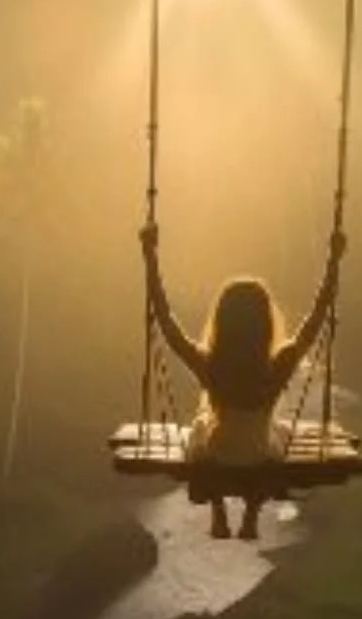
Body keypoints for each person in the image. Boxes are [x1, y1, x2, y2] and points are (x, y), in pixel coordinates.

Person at [140, 224, 345, 540]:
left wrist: (150, 257)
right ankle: (250, 516)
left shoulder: (210, 366)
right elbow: (314, 320)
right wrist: (334, 262)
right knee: (277, 432)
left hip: (218, 452)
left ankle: (218, 513)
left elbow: (167, 323)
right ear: (265, 322)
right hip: (259, 454)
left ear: (222, 321)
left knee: (201, 426)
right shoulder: (279, 364)